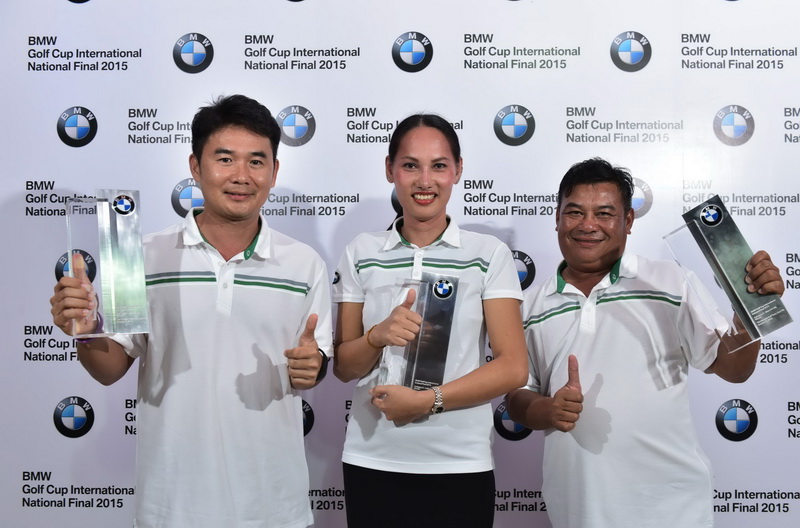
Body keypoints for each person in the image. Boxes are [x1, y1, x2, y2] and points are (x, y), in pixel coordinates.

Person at [49, 94, 332, 528]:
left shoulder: (305, 263)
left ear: (275, 172)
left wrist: (312, 368)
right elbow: (109, 370)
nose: (241, 176)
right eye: (225, 159)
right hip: (171, 507)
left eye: (257, 161)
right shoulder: (140, 256)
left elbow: (314, 365)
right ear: (196, 167)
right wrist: (86, 331)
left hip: (273, 507)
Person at [506, 157, 785, 528]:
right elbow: (518, 397)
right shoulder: (528, 307)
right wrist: (548, 410)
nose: (588, 225)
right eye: (574, 212)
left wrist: (750, 310)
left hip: (673, 510)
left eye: (604, 213)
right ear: (557, 218)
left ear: (629, 221)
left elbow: (734, 368)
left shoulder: (669, 281)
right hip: (578, 510)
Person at [332, 114, 528, 527]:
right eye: (410, 165)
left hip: (459, 462)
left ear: (458, 170)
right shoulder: (361, 251)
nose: (425, 181)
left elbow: (513, 367)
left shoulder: (487, 254)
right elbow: (345, 368)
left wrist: (427, 401)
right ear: (390, 169)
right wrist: (376, 337)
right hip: (372, 457)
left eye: (439, 166)